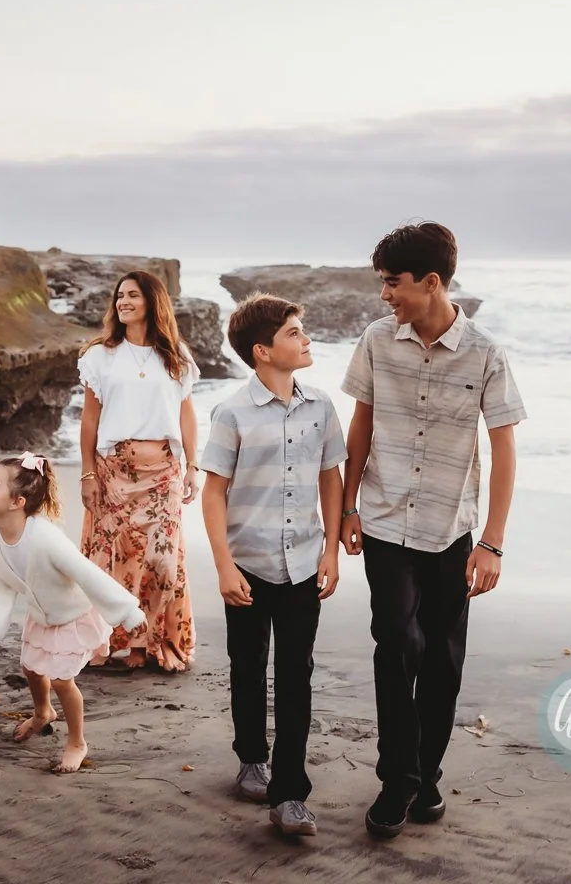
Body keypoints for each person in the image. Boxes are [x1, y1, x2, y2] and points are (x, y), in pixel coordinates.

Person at [339, 221, 526, 838]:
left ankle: (428, 774)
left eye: (393, 283)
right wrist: (346, 508)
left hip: (452, 529)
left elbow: (503, 452)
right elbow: (360, 428)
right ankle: (398, 782)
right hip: (387, 519)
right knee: (396, 646)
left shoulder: (487, 354)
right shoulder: (375, 340)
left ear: (432, 282)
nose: (385, 294)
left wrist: (493, 542)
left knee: (443, 659)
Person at [201, 294, 346, 837]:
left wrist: (330, 549)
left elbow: (331, 477)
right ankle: (249, 757)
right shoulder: (232, 412)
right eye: (293, 332)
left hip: (304, 561)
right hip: (248, 564)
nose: (305, 338)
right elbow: (212, 494)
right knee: (247, 665)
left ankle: (289, 795)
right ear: (262, 351)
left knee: (296, 675)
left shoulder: (322, 407)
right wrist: (223, 567)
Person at [0, 453, 148, 773]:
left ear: (16, 502)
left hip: (72, 616)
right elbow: (0, 591)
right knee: (32, 669)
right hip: (41, 616)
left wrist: (128, 612)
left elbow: (87, 574)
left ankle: (77, 741)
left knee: (63, 680)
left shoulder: (46, 538)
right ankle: (43, 712)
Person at [77, 270, 199, 672]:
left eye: (132, 295)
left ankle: (154, 638)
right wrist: (87, 473)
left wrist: (193, 465)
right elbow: (90, 421)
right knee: (116, 560)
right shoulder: (100, 355)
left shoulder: (176, 356)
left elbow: (186, 415)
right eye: (119, 296)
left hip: (164, 471)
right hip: (114, 471)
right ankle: (128, 644)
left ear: (152, 301)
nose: (123, 301)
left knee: (161, 563)